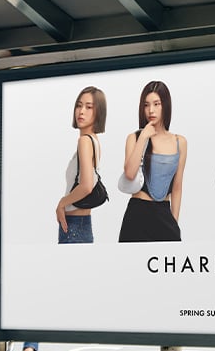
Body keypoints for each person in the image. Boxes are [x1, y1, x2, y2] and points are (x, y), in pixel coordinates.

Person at [119, 80, 187, 241]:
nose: (151, 110)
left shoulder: (179, 142)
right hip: (137, 213)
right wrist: (143, 137)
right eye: (146, 105)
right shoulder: (134, 138)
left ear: (165, 105)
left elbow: (177, 187)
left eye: (157, 104)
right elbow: (129, 173)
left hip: (164, 213)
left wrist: (174, 222)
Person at [55, 85, 108, 244]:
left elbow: (86, 186)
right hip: (82, 225)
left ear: (98, 112)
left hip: (73, 228)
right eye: (79, 105)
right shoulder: (94, 141)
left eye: (89, 107)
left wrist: (61, 204)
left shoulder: (84, 141)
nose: (81, 111)